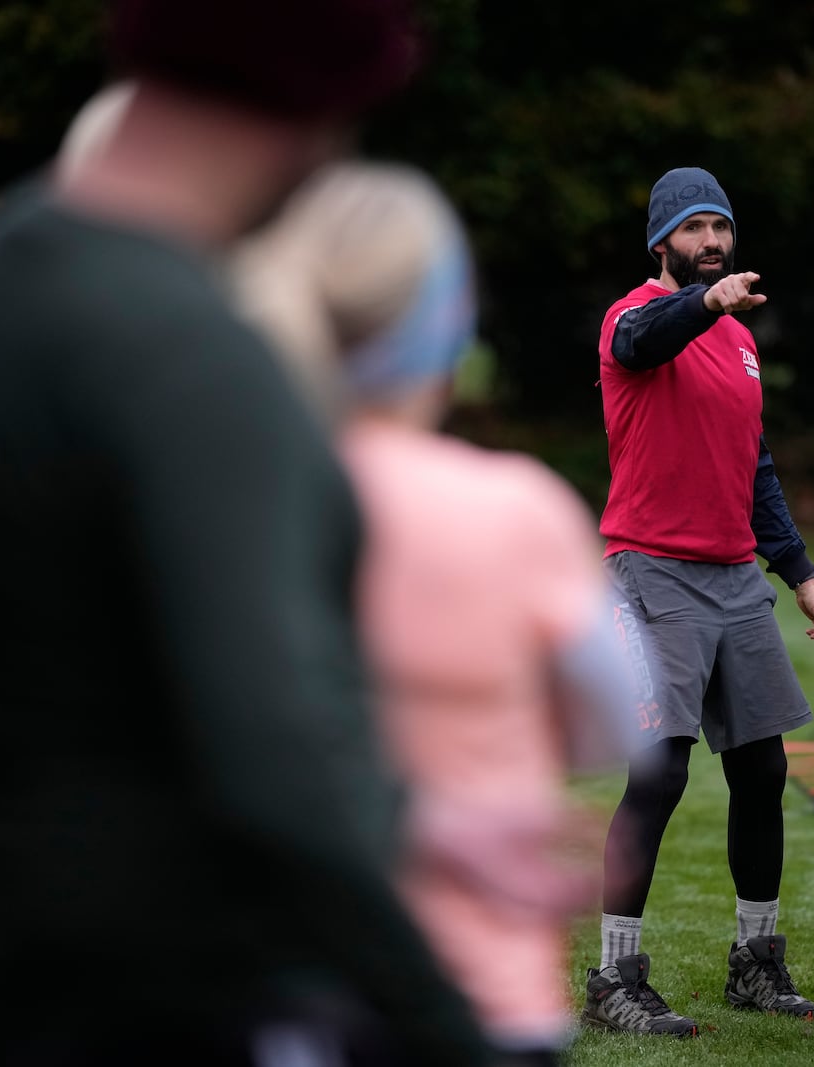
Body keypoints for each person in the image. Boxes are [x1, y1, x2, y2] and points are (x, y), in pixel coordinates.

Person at [0, 4, 499, 1065]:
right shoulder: (189, 353)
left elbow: (114, 690)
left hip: (16, 983)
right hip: (181, 1009)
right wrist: (443, 1026)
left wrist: (411, 813)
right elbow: (274, 774)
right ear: (319, 108)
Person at [233, 161, 646, 1067]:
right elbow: (619, 722)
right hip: (484, 996)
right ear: (452, 330)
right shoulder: (516, 508)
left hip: (288, 986)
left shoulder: (234, 502)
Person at [578, 166, 814, 1036]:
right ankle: (614, 974)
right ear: (662, 241)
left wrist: (802, 577)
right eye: (693, 230)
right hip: (652, 569)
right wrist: (705, 305)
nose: (711, 243)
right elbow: (643, 345)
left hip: (736, 575)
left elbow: (755, 468)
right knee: (658, 770)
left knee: (762, 770)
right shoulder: (636, 317)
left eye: (721, 228)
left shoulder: (739, 343)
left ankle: (756, 962)